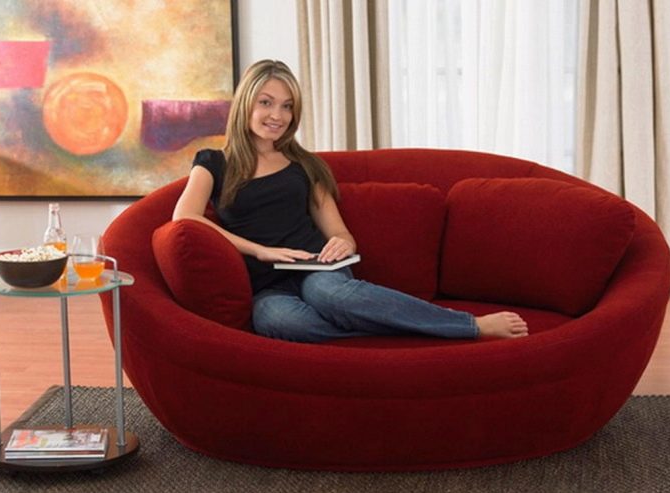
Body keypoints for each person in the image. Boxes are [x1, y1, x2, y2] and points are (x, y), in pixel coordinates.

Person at [173, 59, 528, 343]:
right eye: (266, 102)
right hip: (267, 285)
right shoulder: (213, 162)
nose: (277, 116)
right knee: (277, 322)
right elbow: (185, 218)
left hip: (318, 269)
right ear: (245, 103)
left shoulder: (304, 165)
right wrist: (260, 251)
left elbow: (341, 234)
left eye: (287, 106)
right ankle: (405, 326)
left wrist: (343, 244)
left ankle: (468, 325)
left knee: (330, 296)